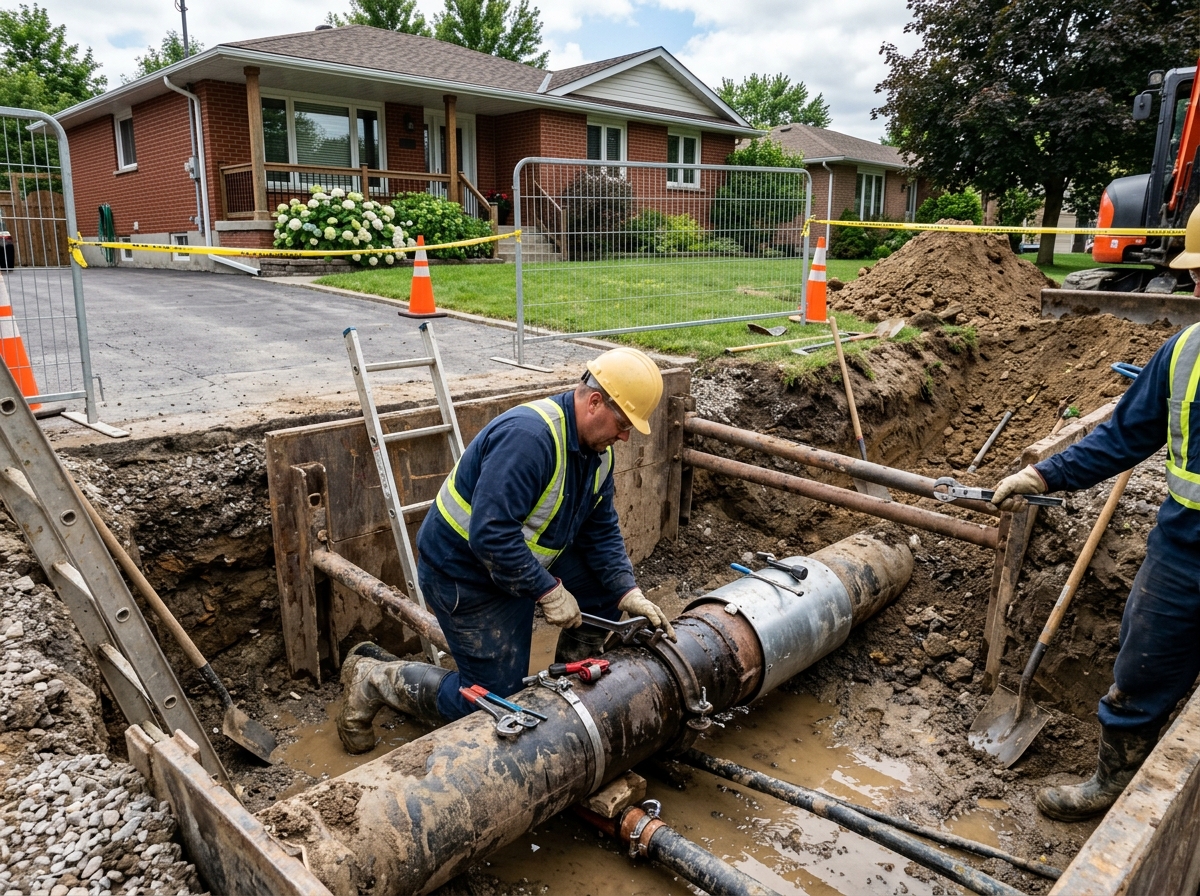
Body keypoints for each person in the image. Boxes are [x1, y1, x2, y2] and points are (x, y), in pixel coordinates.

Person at [336, 346, 675, 753]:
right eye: (622, 424)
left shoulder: (598, 454)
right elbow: (491, 534)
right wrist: (549, 591)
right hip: (464, 571)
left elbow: (600, 529)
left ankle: (566, 691)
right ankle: (373, 679)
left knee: (604, 590)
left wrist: (627, 590)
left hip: (517, 563)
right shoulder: (530, 439)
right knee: (494, 702)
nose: (624, 436)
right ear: (595, 402)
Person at [990, 203, 1200, 821]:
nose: (1195, 282)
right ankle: (1113, 783)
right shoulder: (1187, 350)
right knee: (1142, 662)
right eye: (1194, 271)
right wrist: (1043, 472)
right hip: (1184, 548)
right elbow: (1125, 435)